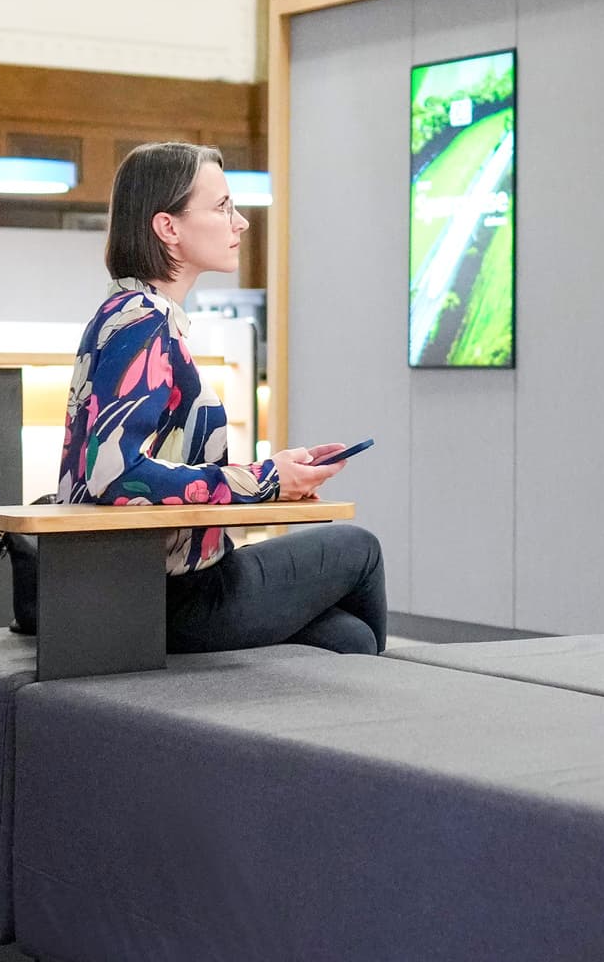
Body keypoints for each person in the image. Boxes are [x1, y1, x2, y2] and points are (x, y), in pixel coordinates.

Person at [64, 142, 384, 655]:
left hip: (163, 580)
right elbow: (113, 474)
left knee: (350, 639)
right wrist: (264, 479)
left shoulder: (134, 314)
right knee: (359, 548)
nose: (241, 223)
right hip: (169, 593)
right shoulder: (142, 323)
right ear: (168, 228)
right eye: (222, 208)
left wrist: (274, 474)